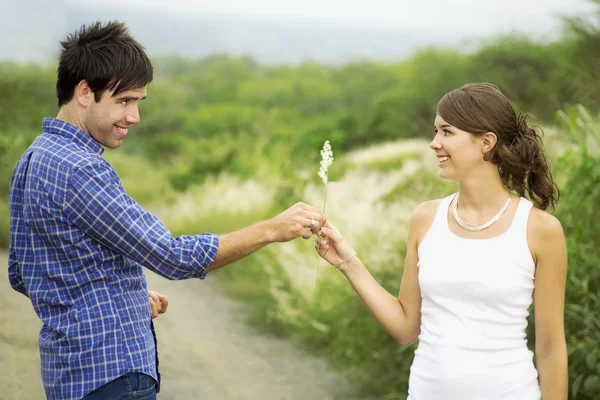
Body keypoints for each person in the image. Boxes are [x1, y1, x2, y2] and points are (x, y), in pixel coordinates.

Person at [8, 21, 325, 400]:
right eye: (124, 101)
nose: (134, 117)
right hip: (111, 375)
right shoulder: (81, 168)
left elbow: (23, 273)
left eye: (138, 103)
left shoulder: (34, 157)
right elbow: (173, 257)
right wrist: (272, 229)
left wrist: (118, 300)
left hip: (69, 377)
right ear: (84, 92)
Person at [316, 83, 568, 400]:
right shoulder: (425, 219)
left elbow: (551, 350)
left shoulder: (540, 230)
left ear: (486, 143)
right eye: (436, 132)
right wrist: (346, 262)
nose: (434, 143)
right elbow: (406, 327)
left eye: (446, 132)